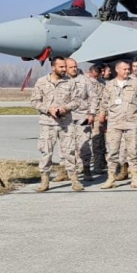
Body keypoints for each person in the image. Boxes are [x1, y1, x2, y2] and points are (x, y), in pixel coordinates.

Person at [30, 57, 83, 192]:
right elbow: (35, 101)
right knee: (46, 152)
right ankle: (44, 181)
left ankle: (74, 180)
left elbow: (77, 101)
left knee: (70, 152)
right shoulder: (42, 82)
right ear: (53, 67)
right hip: (47, 123)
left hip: (65, 123)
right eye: (61, 67)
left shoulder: (70, 82)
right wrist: (48, 109)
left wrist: (65, 108)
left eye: (65, 67)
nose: (64, 69)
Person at [97, 60, 137, 190]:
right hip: (114, 123)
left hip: (131, 123)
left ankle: (135, 178)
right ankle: (111, 178)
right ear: (117, 70)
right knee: (113, 152)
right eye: (125, 69)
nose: (127, 71)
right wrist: (102, 115)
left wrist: (133, 112)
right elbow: (104, 103)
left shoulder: (136, 84)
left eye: (128, 69)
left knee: (132, 152)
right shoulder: (110, 86)